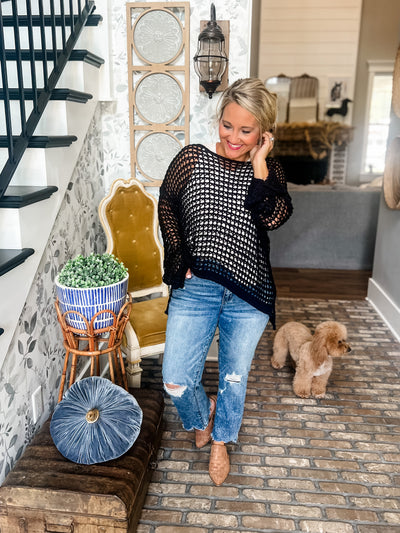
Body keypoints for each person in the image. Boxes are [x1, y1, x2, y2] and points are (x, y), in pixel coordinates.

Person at [158, 77, 293, 485]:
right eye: (227, 125)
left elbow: (273, 217)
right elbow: (168, 204)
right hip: (197, 288)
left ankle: (220, 441)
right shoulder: (192, 159)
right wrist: (178, 254)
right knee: (175, 379)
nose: (233, 137)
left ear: (264, 132)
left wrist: (259, 163)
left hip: (248, 294)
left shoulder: (269, 171)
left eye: (246, 130)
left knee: (234, 377)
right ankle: (204, 415)